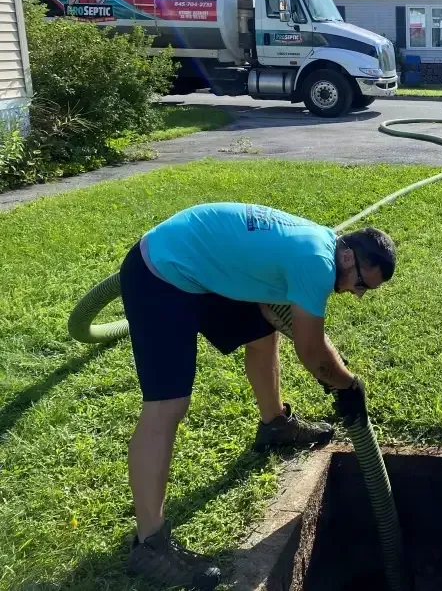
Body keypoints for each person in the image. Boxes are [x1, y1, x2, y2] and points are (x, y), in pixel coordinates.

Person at [118, 202, 396, 589]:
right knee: (167, 406)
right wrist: (348, 384)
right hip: (161, 274)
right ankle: (150, 544)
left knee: (261, 331)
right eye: (362, 283)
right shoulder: (318, 261)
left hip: (199, 267)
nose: (358, 293)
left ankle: (274, 425)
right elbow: (312, 350)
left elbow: (277, 311)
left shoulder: (320, 244)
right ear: (348, 255)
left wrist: (336, 373)